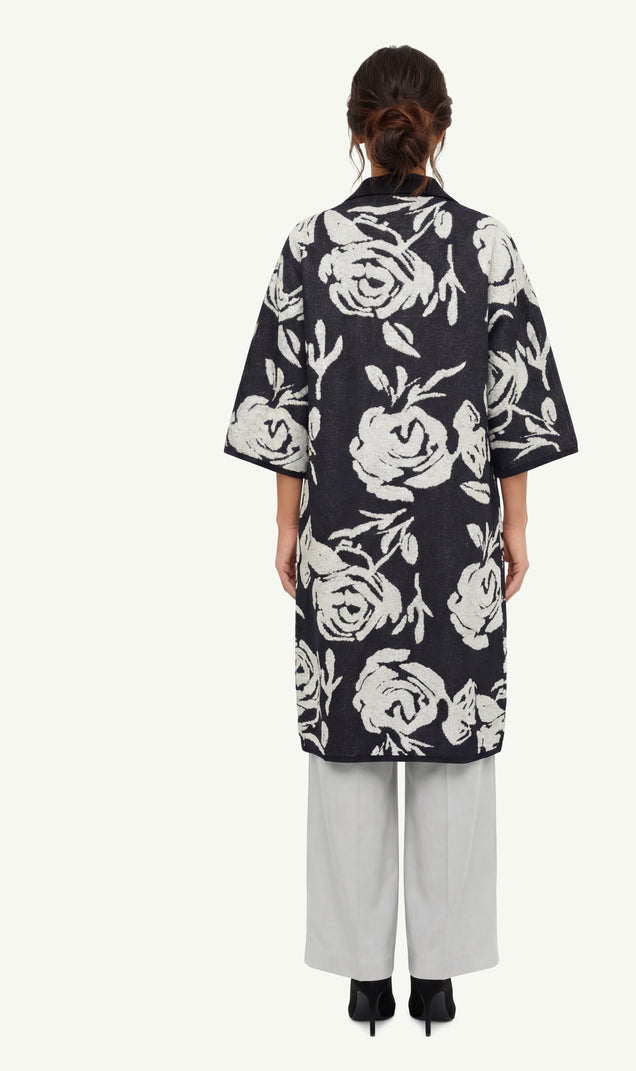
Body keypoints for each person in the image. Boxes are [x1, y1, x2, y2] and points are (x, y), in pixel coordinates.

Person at [223, 44, 579, 1037]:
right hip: (457, 536)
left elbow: (284, 401)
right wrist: (515, 526)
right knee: (451, 747)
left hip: (341, 535)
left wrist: (286, 526)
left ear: (356, 130)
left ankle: (361, 980)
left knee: (349, 747)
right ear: (442, 126)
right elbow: (515, 403)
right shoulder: (487, 245)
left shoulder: (310, 245)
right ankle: (439, 979)